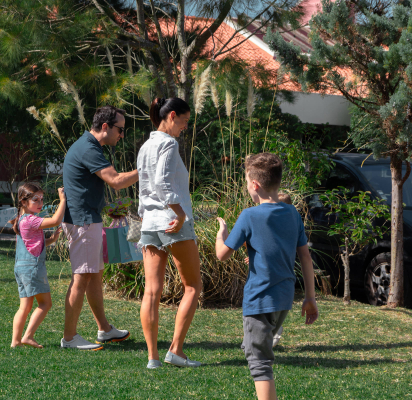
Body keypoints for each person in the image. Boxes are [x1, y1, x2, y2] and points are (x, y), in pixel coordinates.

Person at [215, 153, 319, 400]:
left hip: (260, 299)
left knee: (260, 364)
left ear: (254, 185)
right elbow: (305, 258)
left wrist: (222, 232)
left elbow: (222, 255)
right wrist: (310, 298)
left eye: (246, 182)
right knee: (257, 351)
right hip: (284, 299)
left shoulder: (249, 216)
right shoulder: (292, 213)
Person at [61, 105, 139, 351]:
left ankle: (104, 330)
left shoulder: (89, 146)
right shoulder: (88, 147)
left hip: (88, 218)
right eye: (120, 129)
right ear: (104, 126)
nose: (122, 135)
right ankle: (70, 338)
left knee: (94, 275)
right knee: (82, 277)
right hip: (82, 221)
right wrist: (147, 169)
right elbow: (116, 181)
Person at [137, 97, 202, 369]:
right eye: (184, 122)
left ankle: (153, 357)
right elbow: (164, 185)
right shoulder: (169, 143)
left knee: (151, 291)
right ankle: (176, 350)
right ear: (172, 116)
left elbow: (144, 188)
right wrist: (181, 214)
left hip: (149, 222)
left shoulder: (145, 146)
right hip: (172, 220)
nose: (184, 128)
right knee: (193, 286)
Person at [9, 183, 66, 348]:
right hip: (32, 268)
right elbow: (55, 220)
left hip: (21, 267)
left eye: (42, 199)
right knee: (45, 303)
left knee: (24, 307)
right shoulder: (31, 220)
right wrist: (63, 200)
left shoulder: (22, 219)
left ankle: (15, 342)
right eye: (35, 200)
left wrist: (52, 240)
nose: (40, 203)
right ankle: (28, 336)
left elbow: (33, 244)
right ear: (24, 201)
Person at [243, 192, 293, 348]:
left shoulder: (288, 227)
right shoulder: (268, 223)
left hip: (277, 281)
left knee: (271, 311)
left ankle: (267, 338)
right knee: (261, 312)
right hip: (265, 280)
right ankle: (255, 341)